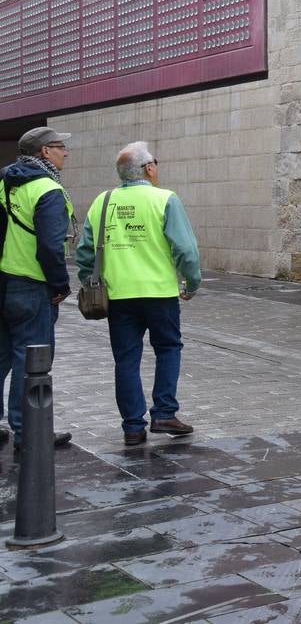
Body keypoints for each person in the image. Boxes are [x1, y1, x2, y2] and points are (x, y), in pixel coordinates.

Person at [76, 142, 201, 446]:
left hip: (118, 295)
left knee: (126, 360)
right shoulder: (165, 199)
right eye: (154, 162)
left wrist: (90, 281)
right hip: (158, 292)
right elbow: (186, 249)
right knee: (168, 348)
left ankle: (133, 427)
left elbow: (84, 253)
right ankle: (164, 413)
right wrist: (192, 282)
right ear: (148, 168)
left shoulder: (102, 202)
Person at [0, 126, 75, 452]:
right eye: (60, 147)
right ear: (45, 152)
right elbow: (49, 246)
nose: (65, 153)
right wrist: (60, 284)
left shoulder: (5, 182)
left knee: (2, 356)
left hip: (3, 282)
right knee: (31, 360)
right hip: (31, 284)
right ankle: (27, 431)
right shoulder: (48, 189)